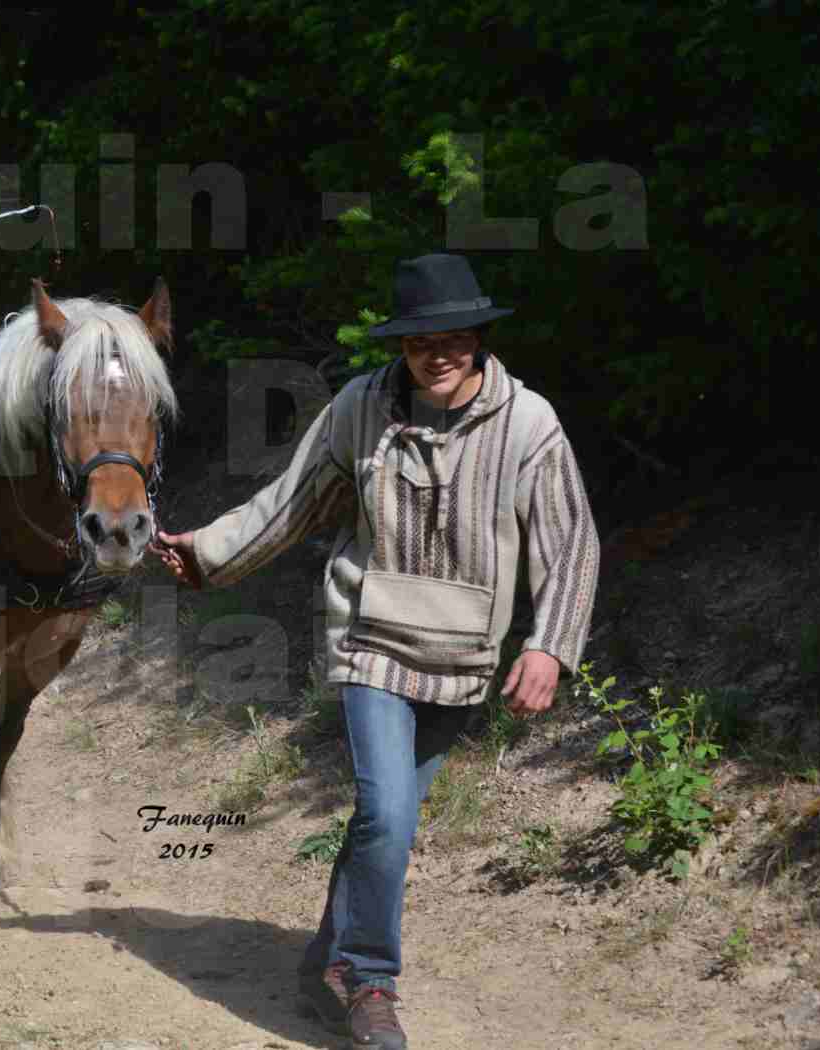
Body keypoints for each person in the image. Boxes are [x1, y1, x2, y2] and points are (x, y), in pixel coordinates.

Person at [154, 253, 599, 1050]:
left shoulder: (529, 423)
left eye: (455, 337)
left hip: (464, 655)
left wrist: (550, 647)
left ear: (479, 339)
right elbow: (293, 500)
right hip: (369, 642)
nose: (439, 353)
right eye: (422, 339)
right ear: (399, 344)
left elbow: (571, 547)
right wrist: (208, 555)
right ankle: (370, 982)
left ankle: (326, 959)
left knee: (381, 820)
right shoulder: (360, 406)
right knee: (389, 814)